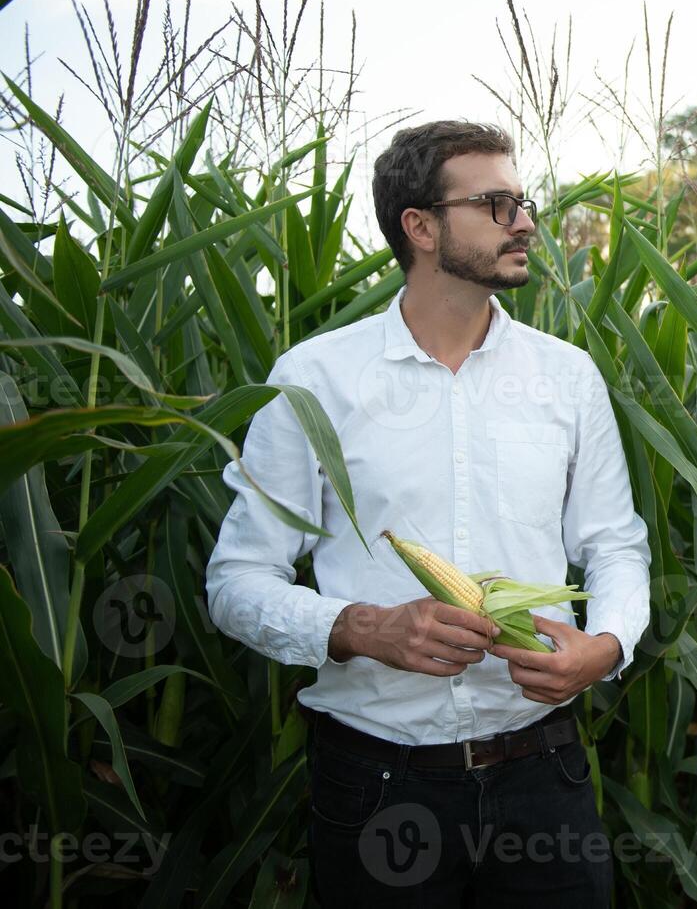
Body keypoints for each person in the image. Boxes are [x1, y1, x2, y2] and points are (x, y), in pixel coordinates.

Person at [205, 120, 650, 907]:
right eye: (497, 204)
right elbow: (237, 580)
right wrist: (362, 628)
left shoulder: (567, 377)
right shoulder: (314, 379)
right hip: (380, 783)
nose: (526, 223)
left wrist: (606, 647)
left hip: (543, 773)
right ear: (419, 226)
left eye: (523, 201)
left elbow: (615, 545)